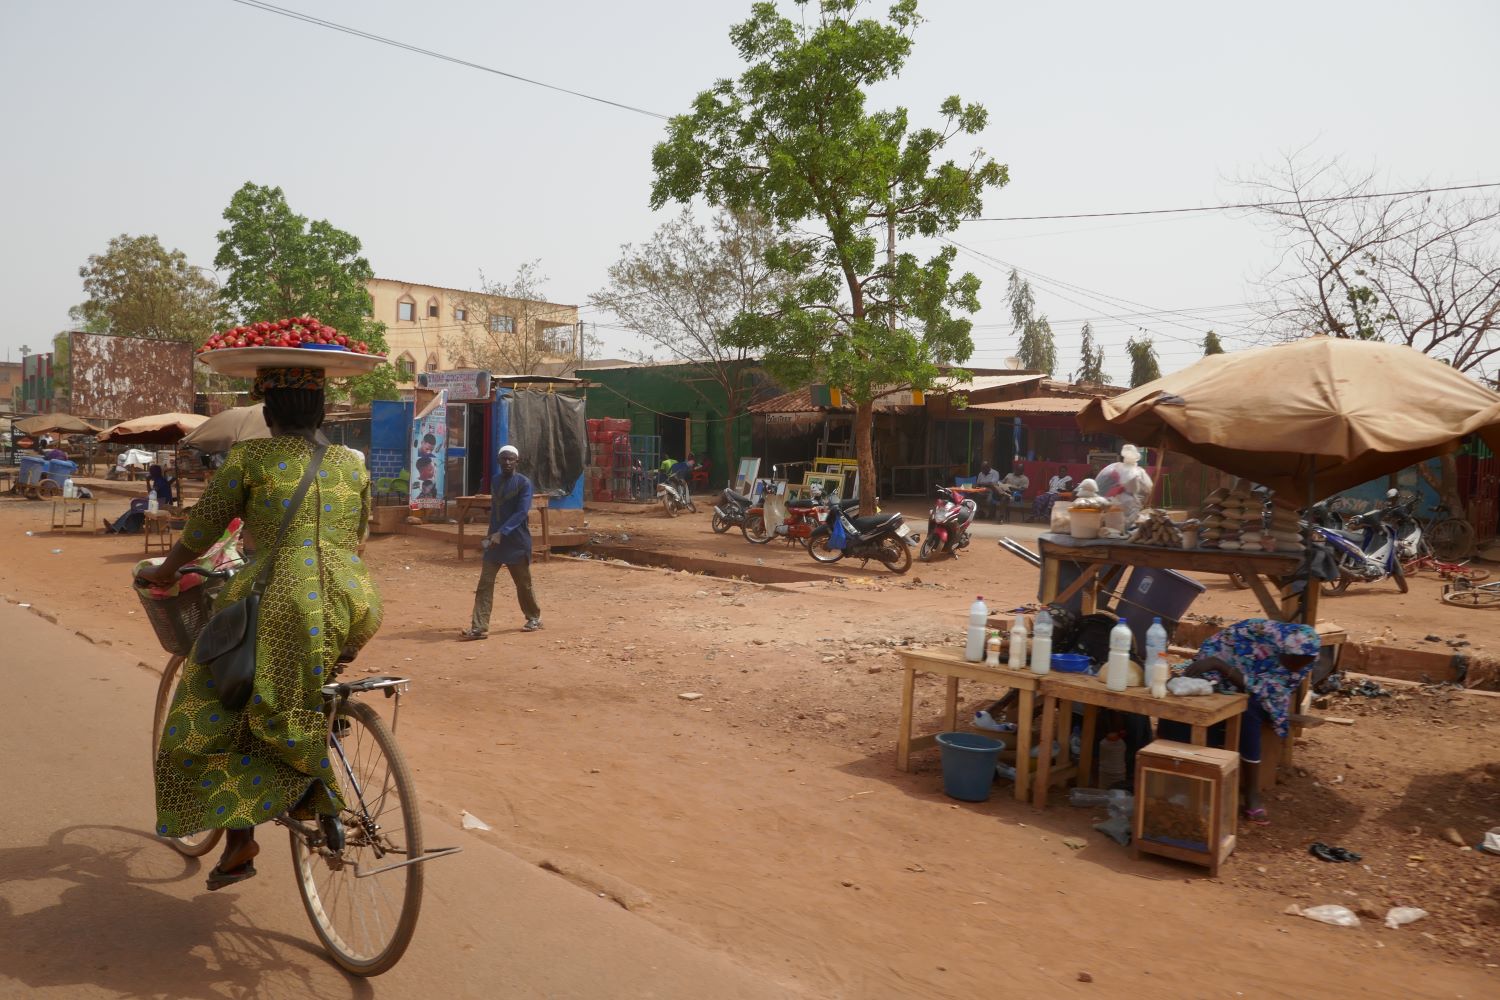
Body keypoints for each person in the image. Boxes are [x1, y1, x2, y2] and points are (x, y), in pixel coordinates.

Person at [135, 364, 382, 890]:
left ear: (268, 414)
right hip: (353, 603)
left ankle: (241, 836)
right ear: (323, 411)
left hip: (282, 603)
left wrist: (165, 569)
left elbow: (203, 528)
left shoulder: (251, 457)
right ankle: (305, 756)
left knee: (210, 714)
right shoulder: (349, 465)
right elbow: (358, 537)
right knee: (288, 692)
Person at [1160, 618, 1321, 826]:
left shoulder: (1305, 659)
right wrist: (1213, 666)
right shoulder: (1257, 630)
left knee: (1250, 710)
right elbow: (1216, 647)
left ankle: (1251, 795)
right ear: (1281, 646)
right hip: (1225, 678)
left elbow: (1266, 691)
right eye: (1291, 659)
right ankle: (1170, 775)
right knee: (1187, 702)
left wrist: (1220, 666)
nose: (1295, 666)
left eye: (1302, 662)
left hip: (1264, 697)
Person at [460, 444, 542, 638]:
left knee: (523, 583)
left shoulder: (524, 483)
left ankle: (534, 617)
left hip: (517, 541)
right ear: (498, 460)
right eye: (504, 459)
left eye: (510, 459)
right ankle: (479, 627)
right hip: (495, 542)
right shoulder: (495, 481)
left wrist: (502, 532)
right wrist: (492, 535)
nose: (507, 462)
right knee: (485, 583)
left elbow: (521, 512)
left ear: (517, 461)